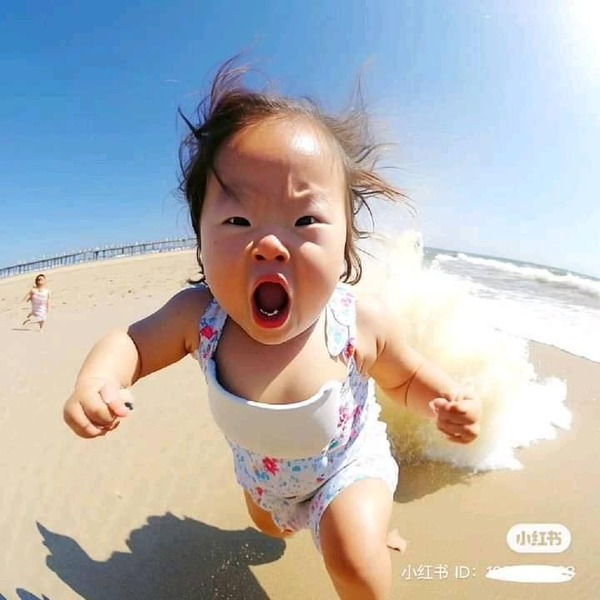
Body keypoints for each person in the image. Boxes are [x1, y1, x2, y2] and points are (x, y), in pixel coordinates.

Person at [63, 56, 481, 600]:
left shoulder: (357, 321)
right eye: (238, 221)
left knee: (352, 557)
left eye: (305, 220)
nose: (269, 244)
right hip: (262, 480)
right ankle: (331, 525)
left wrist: (442, 402)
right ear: (201, 240)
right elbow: (133, 345)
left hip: (348, 464)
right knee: (271, 528)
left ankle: (370, 534)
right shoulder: (199, 317)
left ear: (344, 245)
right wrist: (100, 378)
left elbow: (405, 378)